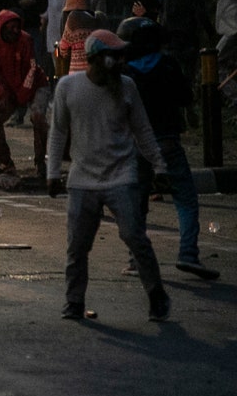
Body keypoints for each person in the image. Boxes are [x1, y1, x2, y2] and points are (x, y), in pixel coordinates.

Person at [47, 29, 171, 322]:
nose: (118, 62)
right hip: (82, 179)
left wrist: (160, 165)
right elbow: (58, 132)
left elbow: (142, 130)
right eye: (111, 56)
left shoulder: (127, 87)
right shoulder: (68, 87)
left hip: (121, 174)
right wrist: (53, 172)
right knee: (77, 245)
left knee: (134, 236)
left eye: (119, 56)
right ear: (94, 59)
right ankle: (74, 301)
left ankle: (156, 294)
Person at [118, 17, 220, 281]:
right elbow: (186, 97)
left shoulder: (126, 73)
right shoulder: (168, 64)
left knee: (137, 203)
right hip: (167, 143)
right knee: (185, 200)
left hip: (136, 146)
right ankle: (187, 253)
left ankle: (135, 260)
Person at [0, 8, 50, 178]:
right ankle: (4, 161)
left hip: (36, 86)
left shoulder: (25, 40)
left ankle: (40, 162)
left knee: (38, 117)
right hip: (11, 89)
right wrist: (2, 96)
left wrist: (22, 95)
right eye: (11, 28)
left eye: (17, 27)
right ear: (1, 28)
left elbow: (32, 69)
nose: (15, 31)